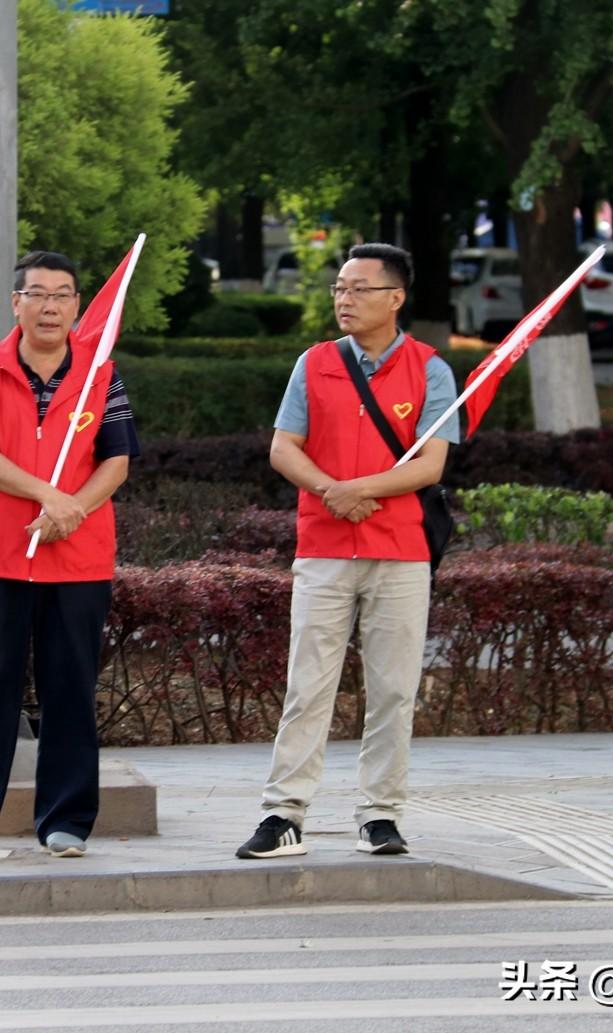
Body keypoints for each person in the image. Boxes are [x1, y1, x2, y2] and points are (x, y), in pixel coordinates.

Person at [236, 242, 458, 860]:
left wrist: (358, 489)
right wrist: (333, 492)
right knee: (307, 686)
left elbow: (430, 463)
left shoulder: (431, 369)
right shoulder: (314, 365)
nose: (345, 298)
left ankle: (380, 816)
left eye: (359, 288)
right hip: (326, 547)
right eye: (339, 287)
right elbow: (284, 448)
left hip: (400, 551)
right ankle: (284, 814)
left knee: (392, 689)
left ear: (396, 297)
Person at [0, 251, 139, 864]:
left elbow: (117, 459)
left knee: (69, 688)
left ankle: (66, 820)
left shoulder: (104, 372)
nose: (51, 306)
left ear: (76, 306)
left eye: (64, 295)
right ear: (15, 302)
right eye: (38, 294)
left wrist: (72, 510)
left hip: (77, 557)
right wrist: (49, 494)